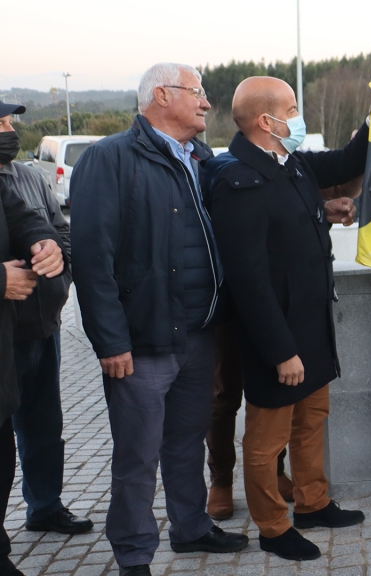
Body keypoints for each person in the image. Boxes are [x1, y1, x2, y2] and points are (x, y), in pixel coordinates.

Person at [70, 63, 248, 576]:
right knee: (137, 456)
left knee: (187, 441)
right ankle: (133, 554)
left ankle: (190, 527)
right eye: (197, 93)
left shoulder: (198, 157)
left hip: (198, 333)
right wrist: (110, 342)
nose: (207, 104)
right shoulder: (110, 158)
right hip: (143, 341)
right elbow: (93, 259)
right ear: (162, 95)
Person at [205, 77, 366, 561]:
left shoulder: (288, 162)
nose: (299, 118)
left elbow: (342, 164)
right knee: (266, 437)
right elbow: (250, 282)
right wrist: (281, 351)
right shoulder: (235, 180)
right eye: (292, 109)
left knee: (311, 419)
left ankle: (312, 502)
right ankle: (273, 527)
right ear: (266, 121)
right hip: (279, 337)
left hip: (312, 325)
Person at [0, 104, 92, 535]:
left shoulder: (28, 177)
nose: (11, 129)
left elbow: (57, 229)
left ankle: (45, 506)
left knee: (44, 424)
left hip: (44, 325)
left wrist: (62, 268)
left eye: (9, 121)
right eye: (1, 123)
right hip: (6, 332)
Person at [0, 171, 66, 576]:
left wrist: (48, 245)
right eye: (0, 121)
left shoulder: (16, 181)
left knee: (13, 447)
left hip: (27, 327)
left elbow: (29, 219)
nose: (8, 129)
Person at [205, 323, 293, 520]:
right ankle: (221, 480)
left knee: (273, 391)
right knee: (223, 396)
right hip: (224, 309)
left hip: (266, 307)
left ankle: (276, 472)